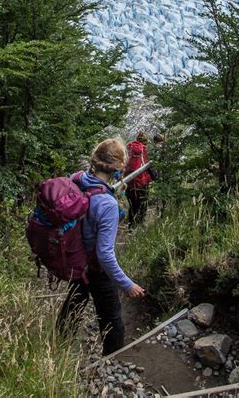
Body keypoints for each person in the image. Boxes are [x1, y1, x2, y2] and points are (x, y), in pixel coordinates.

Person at [56, 138, 145, 354]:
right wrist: (127, 284)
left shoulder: (77, 179)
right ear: (117, 168)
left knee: (75, 301)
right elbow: (104, 254)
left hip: (75, 260)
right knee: (112, 318)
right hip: (95, 268)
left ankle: (59, 343)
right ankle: (112, 359)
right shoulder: (107, 204)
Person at [125, 130, 152, 227]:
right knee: (142, 203)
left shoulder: (129, 147)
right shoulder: (143, 149)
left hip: (128, 181)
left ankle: (130, 225)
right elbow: (146, 165)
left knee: (132, 205)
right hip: (141, 181)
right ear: (145, 141)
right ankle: (140, 225)